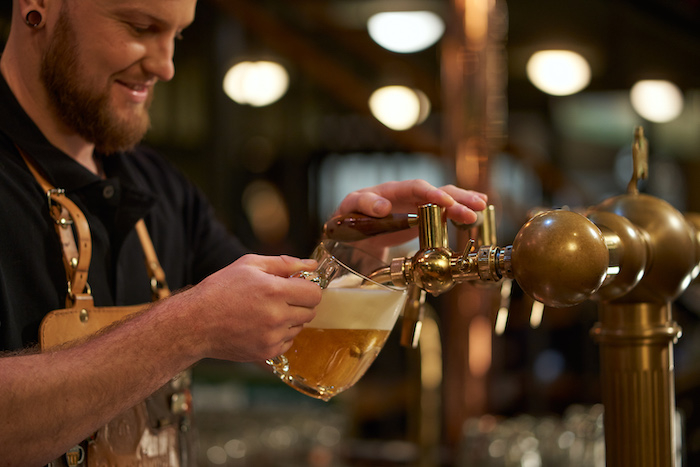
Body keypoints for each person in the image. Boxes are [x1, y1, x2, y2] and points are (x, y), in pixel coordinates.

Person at [0, 0, 488, 465]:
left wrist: (352, 253)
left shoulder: (160, 187)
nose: (166, 67)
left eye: (177, 36)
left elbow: (298, 354)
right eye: (140, 28)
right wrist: (187, 328)